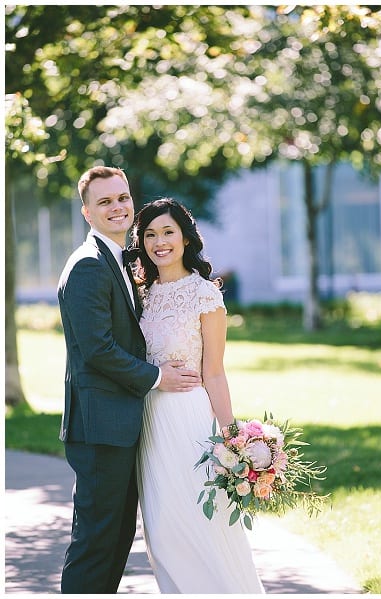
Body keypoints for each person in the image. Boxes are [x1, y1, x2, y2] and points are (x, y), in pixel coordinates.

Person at [58, 166, 201, 593]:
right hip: (100, 429)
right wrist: (158, 377)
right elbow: (97, 349)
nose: (117, 207)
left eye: (122, 198)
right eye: (104, 201)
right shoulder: (88, 266)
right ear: (87, 212)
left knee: (116, 539)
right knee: (96, 542)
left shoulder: (118, 260)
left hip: (120, 425)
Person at [130, 198, 265, 593]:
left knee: (202, 524)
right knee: (161, 529)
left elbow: (215, 372)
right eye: (150, 235)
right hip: (149, 421)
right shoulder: (140, 294)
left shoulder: (205, 295)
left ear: (185, 238)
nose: (159, 242)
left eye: (168, 232)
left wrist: (232, 439)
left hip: (190, 419)